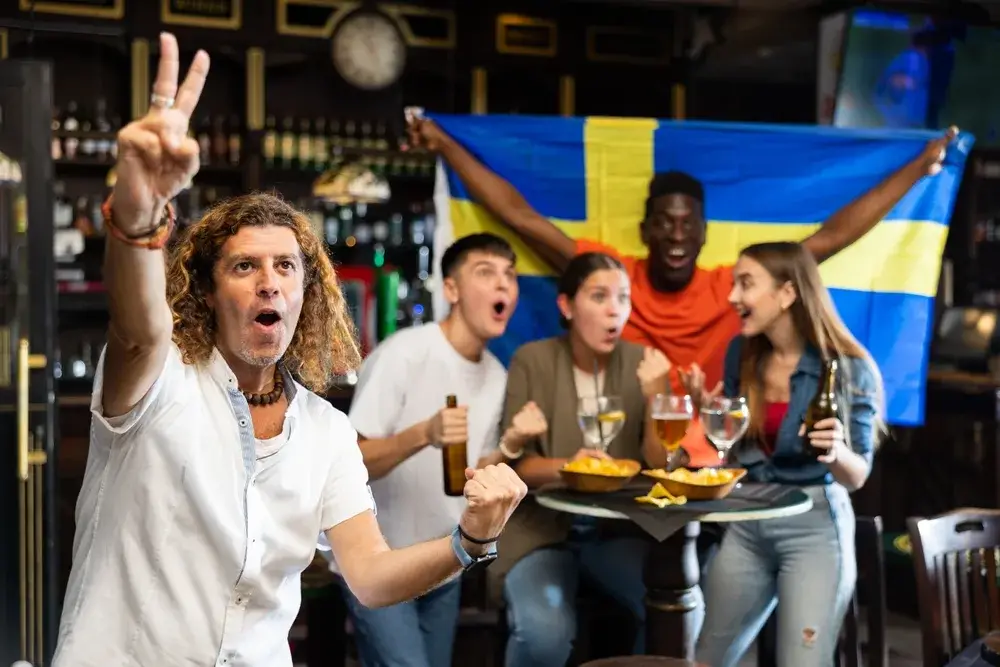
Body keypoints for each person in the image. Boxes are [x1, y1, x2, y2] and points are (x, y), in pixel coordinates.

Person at [52, 33, 526, 667]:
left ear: (308, 294)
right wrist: (140, 212)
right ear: (207, 290)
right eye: (244, 265)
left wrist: (471, 540)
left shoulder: (325, 432)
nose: (269, 280)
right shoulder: (158, 377)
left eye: (286, 267)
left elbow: (372, 574)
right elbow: (138, 326)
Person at [407, 117, 953, 462]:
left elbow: (832, 237)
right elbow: (520, 218)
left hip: (709, 461)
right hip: (623, 456)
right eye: (663, 222)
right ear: (644, 230)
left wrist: (917, 169)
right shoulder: (611, 280)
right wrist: (445, 145)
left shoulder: (734, 290)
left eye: (687, 223)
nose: (675, 234)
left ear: (703, 233)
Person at [688, 241, 884, 667]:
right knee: (703, 660)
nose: (732, 297)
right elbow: (736, 449)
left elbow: (857, 475)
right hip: (747, 523)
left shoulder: (848, 366)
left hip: (814, 528)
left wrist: (835, 452)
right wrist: (711, 414)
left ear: (787, 293)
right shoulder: (742, 354)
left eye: (746, 284)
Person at [327, 232, 518, 667]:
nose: (503, 285)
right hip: (378, 559)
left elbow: (476, 469)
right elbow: (349, 463)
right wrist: (424, 434)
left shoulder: (497, 375)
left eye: (509, 275)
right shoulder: (406, 353)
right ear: (450, 289)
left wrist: (513, 444)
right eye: (485, 273)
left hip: (444, 560)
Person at [491, 252, 672, 667]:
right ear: (567, 305)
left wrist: (657, 395)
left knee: (674, 609)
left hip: (616, 534)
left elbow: (659, 464)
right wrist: (573, 467)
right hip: (541, 533)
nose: (615, 310)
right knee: (544, 635)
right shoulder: (532, 360)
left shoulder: (644, 364)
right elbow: (518, 467)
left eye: (623, 298)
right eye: (600, 296)